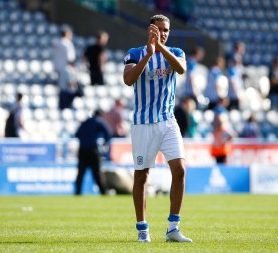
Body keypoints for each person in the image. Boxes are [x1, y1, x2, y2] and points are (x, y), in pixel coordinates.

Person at [123, 14, 192, 243]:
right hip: (143, 123)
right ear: (150, 29)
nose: (163, 33)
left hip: (167, 120)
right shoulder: (135, 53)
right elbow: (129, 79)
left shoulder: (176, 53)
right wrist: (150, 54)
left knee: (180, 169)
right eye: (159, 29)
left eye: (166, 30)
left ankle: (173, 227)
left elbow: (181, 69)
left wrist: (161, 49)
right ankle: (143, 230)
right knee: (142, 176)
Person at [75, 109, 111, 195]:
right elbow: (108, 133)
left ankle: (77, 192)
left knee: (80, 173)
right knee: (97, 173)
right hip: (92, 150)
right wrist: (105, 141)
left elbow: (77, 134)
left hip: (82, 150)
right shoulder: (98, 122)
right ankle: (103, 192)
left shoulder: (84, 122)